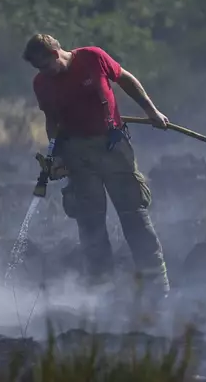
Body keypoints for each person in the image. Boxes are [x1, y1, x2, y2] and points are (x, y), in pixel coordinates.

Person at [22, 33, 171, 302]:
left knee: (134, 216)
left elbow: (125, 78)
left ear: (56, 55)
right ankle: (102, 296)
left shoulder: (92, 57)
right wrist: (54, 154)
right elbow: (52, 120)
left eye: (44, 65)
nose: (42, 72)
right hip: (77, 153)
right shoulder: (41, 83)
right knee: (90, 224)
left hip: (113, 147)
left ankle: (157, 292)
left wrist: (152, 111)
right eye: (37, 69)